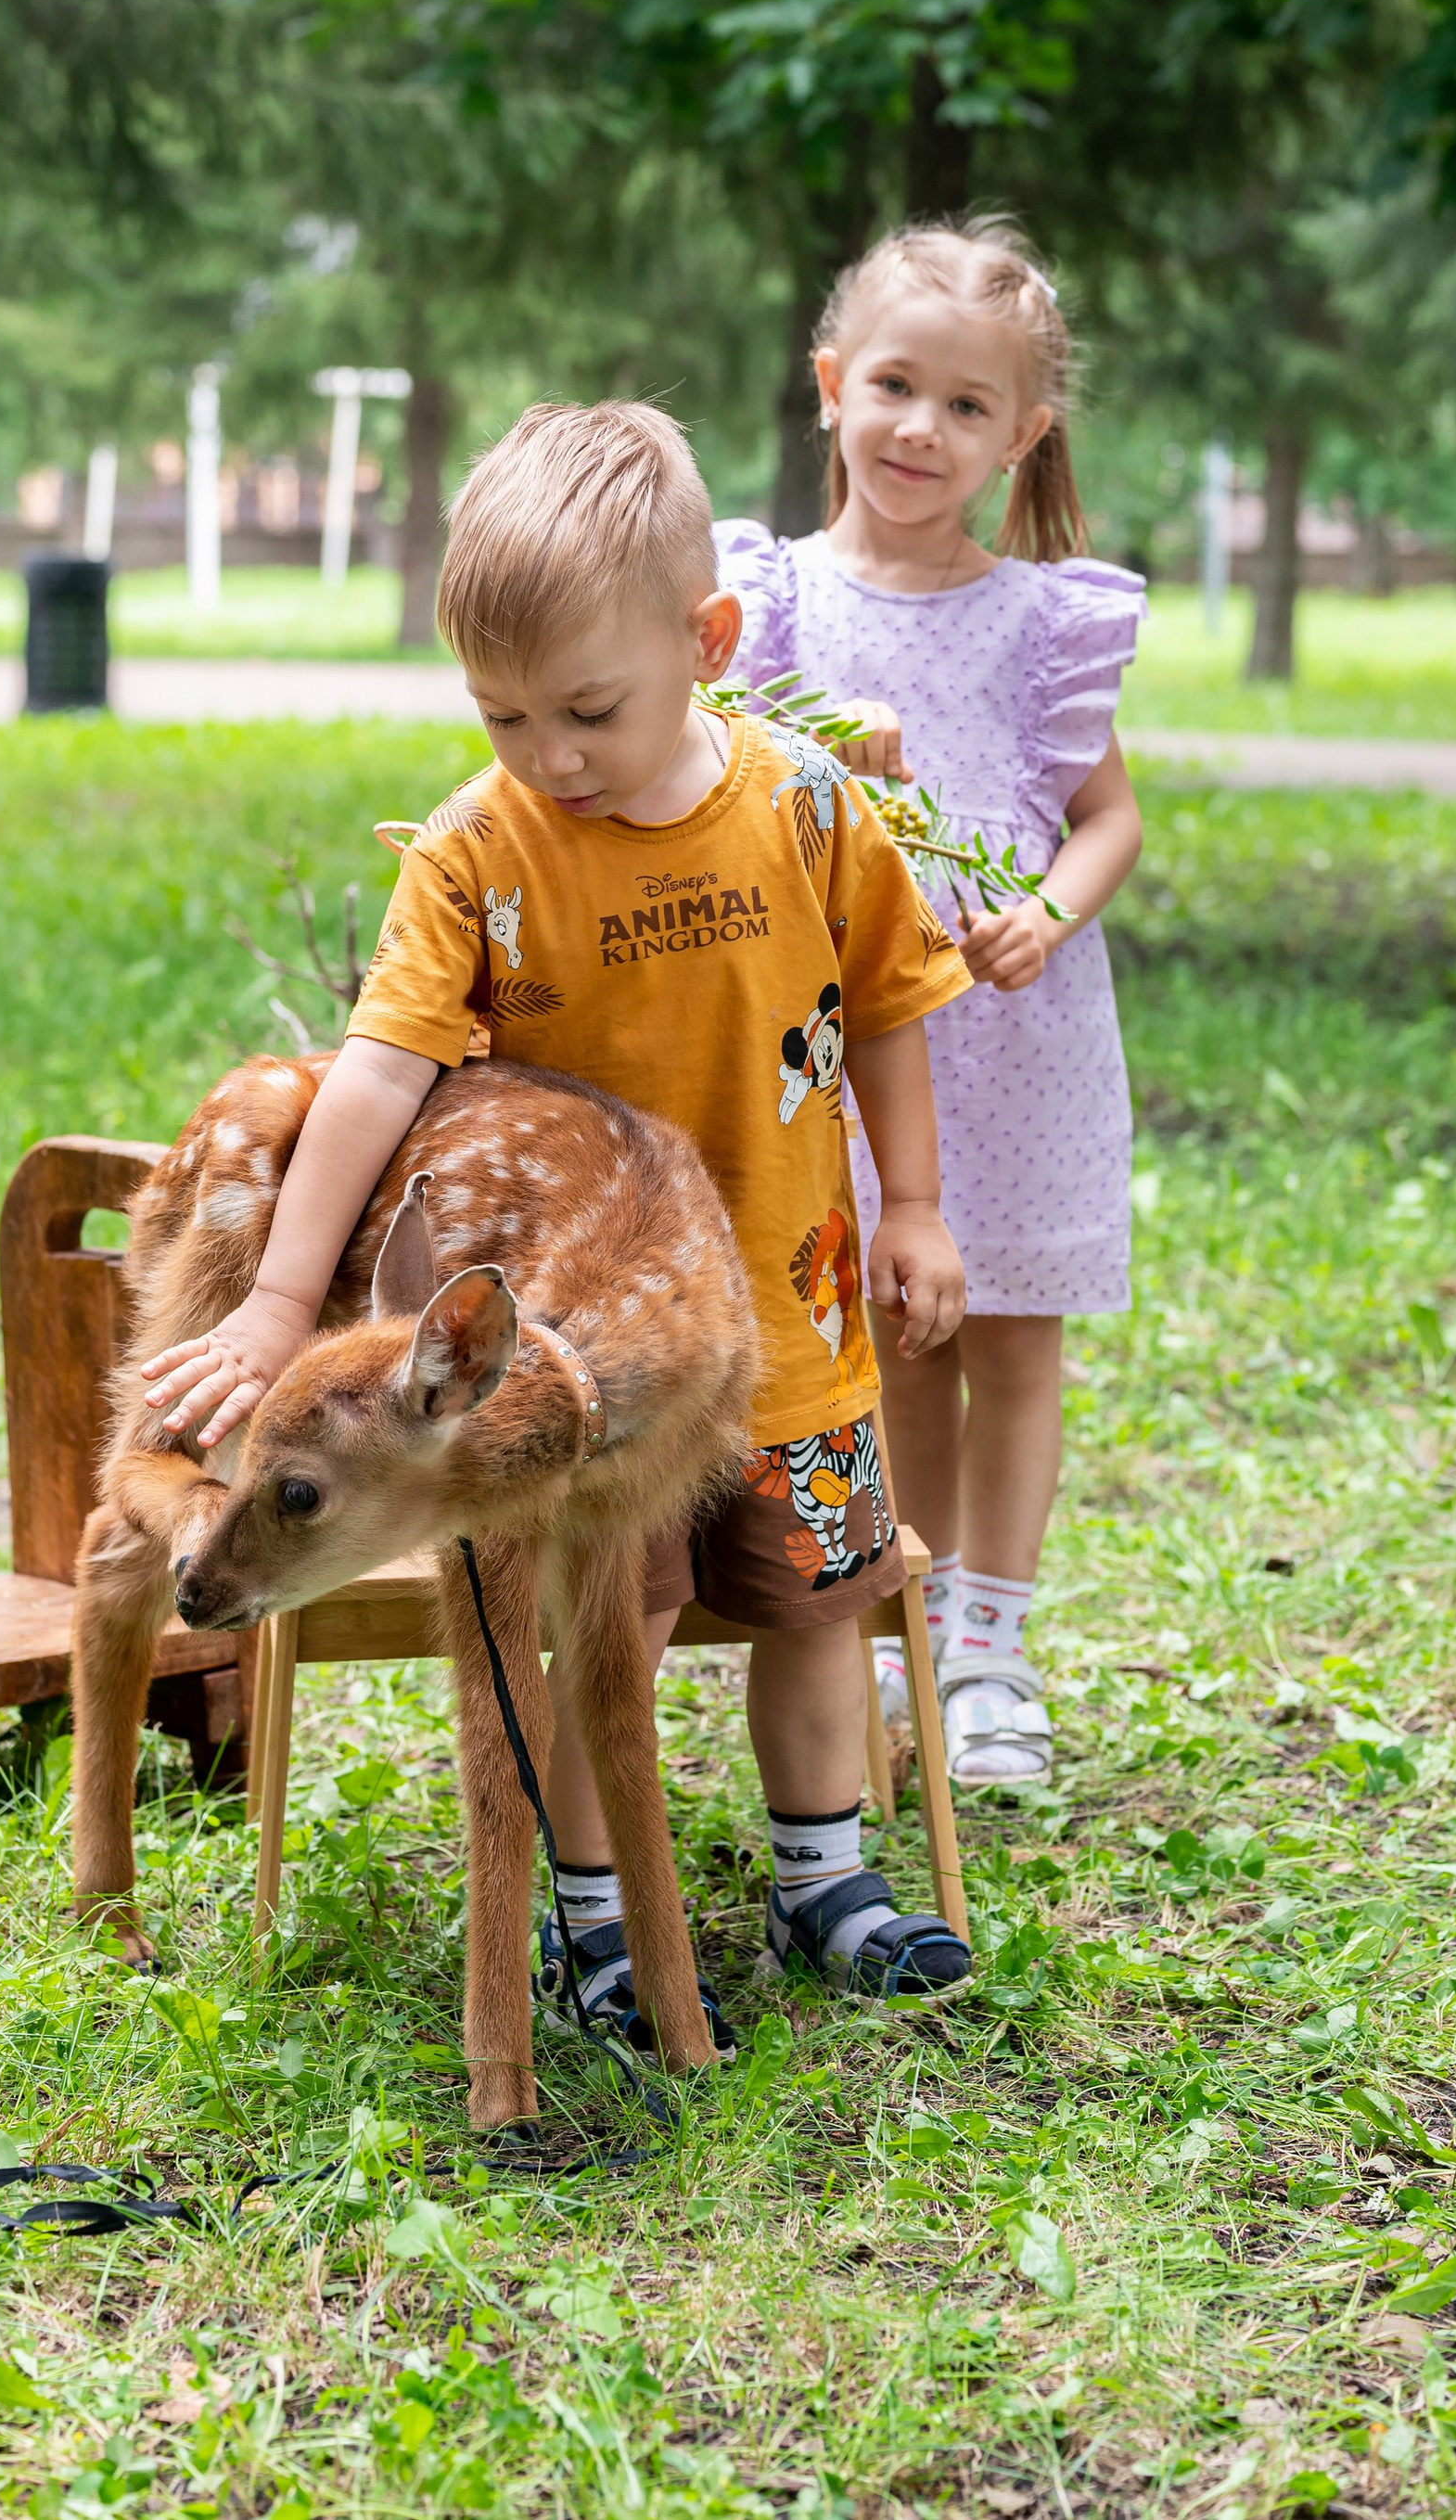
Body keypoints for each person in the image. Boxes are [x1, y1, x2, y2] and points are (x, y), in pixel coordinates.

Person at [137, 398, 977, 2034]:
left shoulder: (810, 811)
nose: (548, 756)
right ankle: (593, 1919)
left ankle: (829, 1881)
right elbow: (376, 1077)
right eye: (502, 714)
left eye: (588, 710)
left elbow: (885, 1010)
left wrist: (922, 1203)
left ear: (709, 640)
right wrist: (269, 1301)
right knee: (612, 1622)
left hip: (795, 1328)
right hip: (578, 1368)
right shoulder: (472, 849)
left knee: (819, 1603)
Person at [717, 219, 1145, 1795]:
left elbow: (1108, 818)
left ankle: (994, 1650)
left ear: (1020, 438)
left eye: (970, 408)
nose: (923, 429)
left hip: (1017, 1038)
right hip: (846, 1039)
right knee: (896, 1333)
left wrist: (1047, 908)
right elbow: (718, 787)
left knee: (1016, 1344)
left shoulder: (1045, 622)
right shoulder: (767, 612)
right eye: (896, 385)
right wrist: (824, 754)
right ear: (831, 387)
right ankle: (893, 1622)